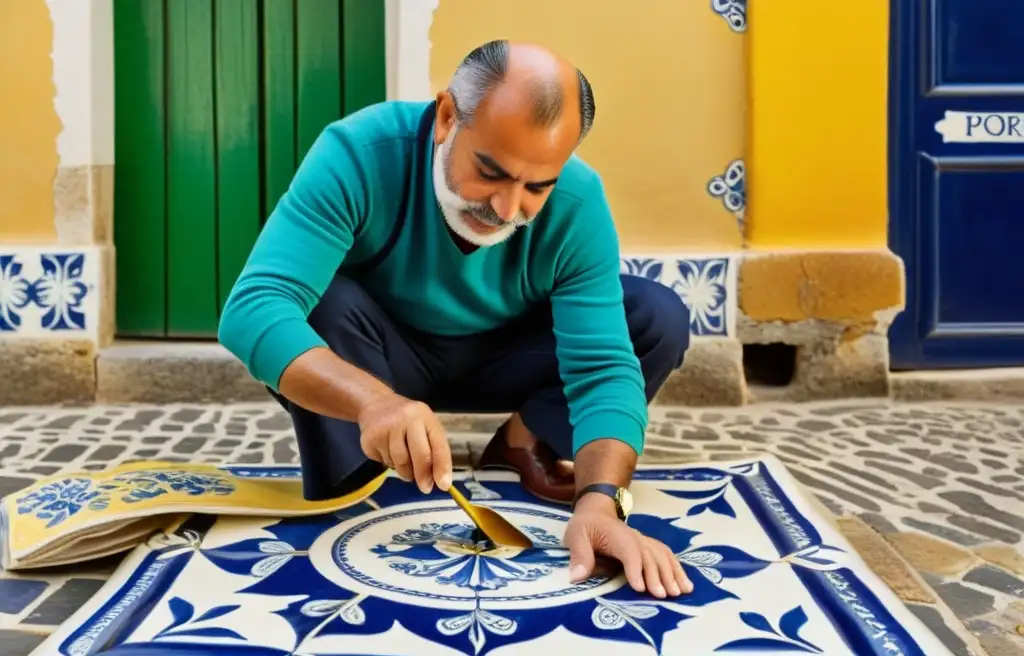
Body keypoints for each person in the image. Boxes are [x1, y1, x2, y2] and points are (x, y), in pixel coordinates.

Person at [219, 40, 692, 598]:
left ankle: (525, 439)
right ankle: (360, 475)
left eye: (537, 186)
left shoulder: (580, 202)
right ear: (447, 117)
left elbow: (605, 371)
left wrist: (602, 505)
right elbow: (254, 307)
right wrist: (373, 402)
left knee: (653, 315)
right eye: (490, 172)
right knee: (322, 304)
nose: (506, 209)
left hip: (506, 359)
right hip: (380, 360)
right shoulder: (360, 153)